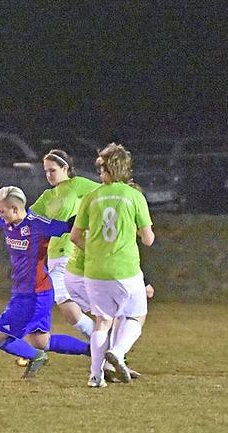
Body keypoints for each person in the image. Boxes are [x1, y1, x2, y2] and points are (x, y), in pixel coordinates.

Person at [0, 185, 90, 379]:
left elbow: (67, 227)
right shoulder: (7, 222)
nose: (0, 215)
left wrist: (87, 218)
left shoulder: (38, 225)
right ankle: (94, 350)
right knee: (41, 341)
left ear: (15, 209)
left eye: (3, 211)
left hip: (34, 295)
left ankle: (37, 357)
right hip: (29, 292)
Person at [70, 143, 155, 388]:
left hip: (95, 271)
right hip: (125, 269)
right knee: (136, 315)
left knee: (102, 322)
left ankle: (95, 377)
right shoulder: (134, 196)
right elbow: (148, 239)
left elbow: (75, 236)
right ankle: (117, 352)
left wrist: (95, 252)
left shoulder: (91, 197)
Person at [28, 149, 100, 339]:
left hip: (74, 253)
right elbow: (28, 218)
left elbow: (106, 193)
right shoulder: (48, 196)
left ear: (65, 168)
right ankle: (103, 343)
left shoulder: (77, 185)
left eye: (52, 170)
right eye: (46, 171)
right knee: (71, 312)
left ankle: (105, 342)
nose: (48, 175)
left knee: (73, 305)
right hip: (54, 256)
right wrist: (8, 205)